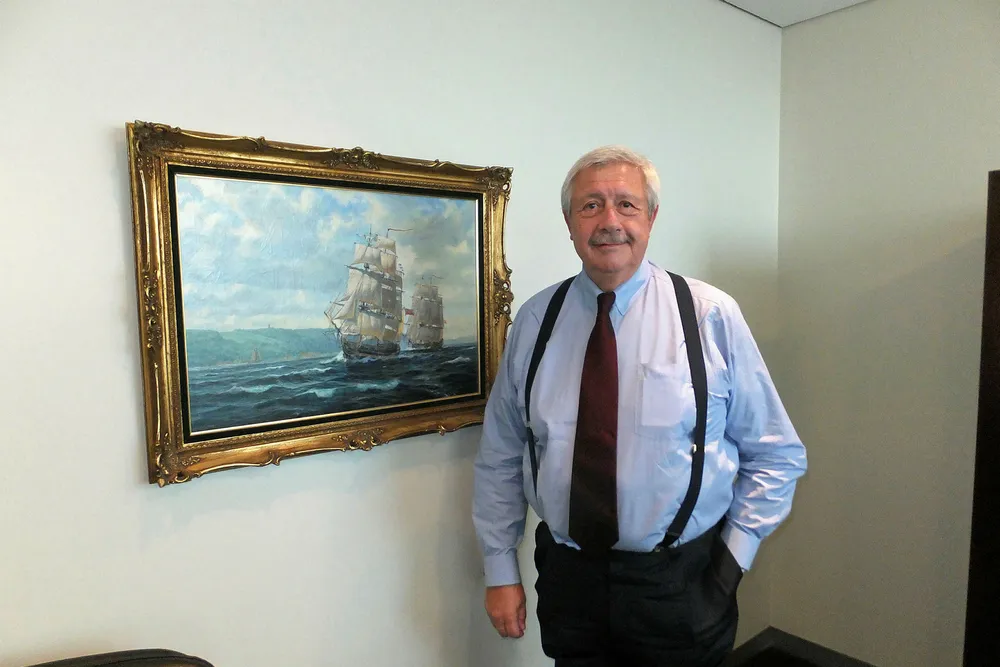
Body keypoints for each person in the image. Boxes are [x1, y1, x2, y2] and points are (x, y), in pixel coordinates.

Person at [471, 145, 807, 666]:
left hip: (680, 584)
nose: (609, 221)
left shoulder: (709, 316)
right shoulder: (536, 322)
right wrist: (500, 571)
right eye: (591, 205)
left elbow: (776, 453)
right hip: (569, 583)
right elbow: (501, 456)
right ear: (569, 222)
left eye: (626, 204)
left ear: (651, 217)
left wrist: (729, 565)